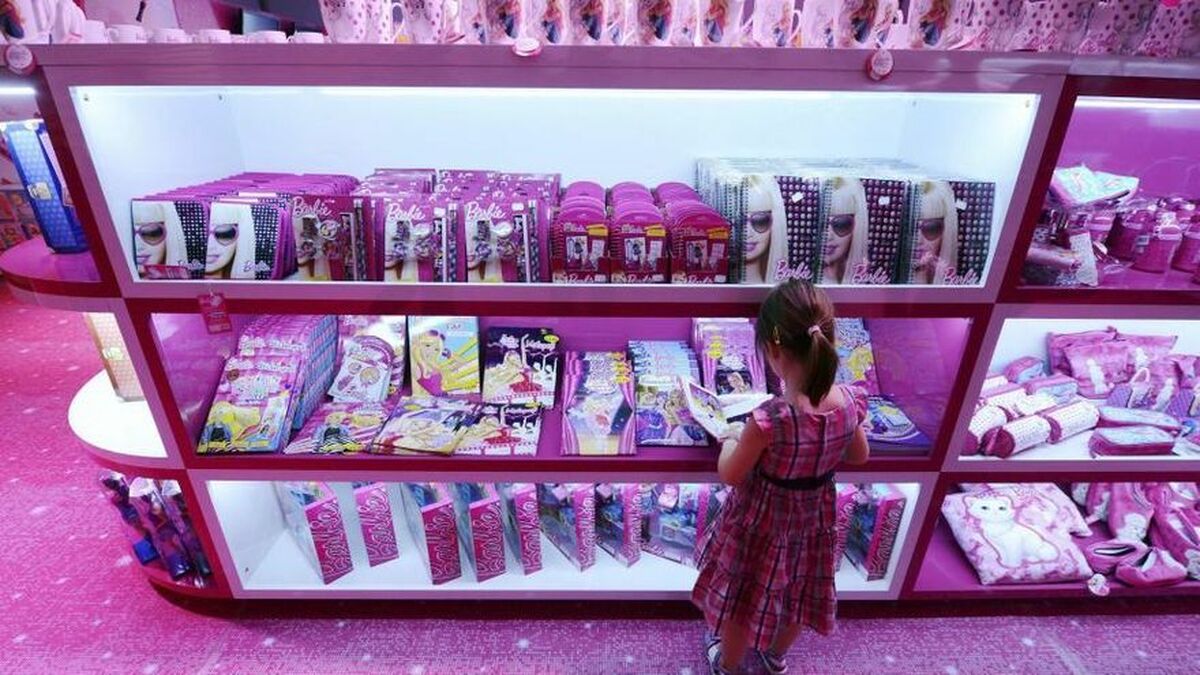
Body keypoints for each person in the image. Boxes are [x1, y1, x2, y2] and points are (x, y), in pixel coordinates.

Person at [692, 279, 870, 675]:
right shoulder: (849, 400)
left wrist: (729, 438)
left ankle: (728, 664)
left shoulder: (769, 420)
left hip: (761, 526)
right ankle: (775, 657)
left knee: (741, 599)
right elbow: (859, 455)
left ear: (773, 352)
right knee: (798, 593)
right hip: (813, 523)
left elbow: (732, 474)